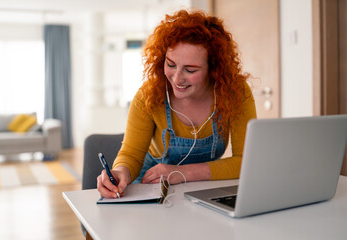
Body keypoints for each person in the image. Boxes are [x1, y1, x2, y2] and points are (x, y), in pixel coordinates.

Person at [97, 9, 257, 199]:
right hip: (150, 188)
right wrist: (120, 172)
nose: (177, 78)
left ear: (214, 69)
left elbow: (245, 162)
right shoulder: (148, 95)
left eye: (190, 70)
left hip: (202, 189)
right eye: (171, 65)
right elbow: (131, 154)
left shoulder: (234, 92)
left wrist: (180, 173)